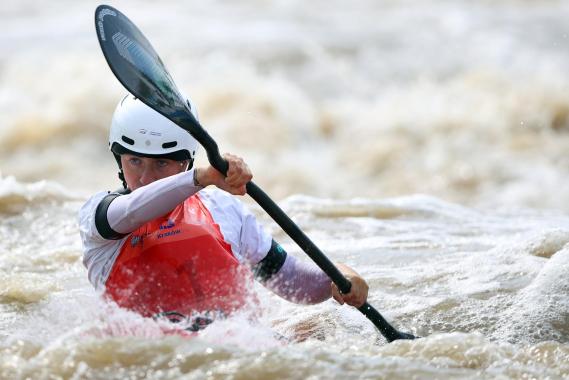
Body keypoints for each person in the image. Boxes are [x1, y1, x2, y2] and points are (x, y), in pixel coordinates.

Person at [79, 93, 369, 332]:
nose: (145, 178)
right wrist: (202, 177)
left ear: (185, 162)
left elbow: (293, 283)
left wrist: (337, 277)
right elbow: (132, 209)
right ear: (118, 159)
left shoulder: (224, 211)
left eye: (162, 164)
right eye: (135, 161)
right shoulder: (99, 217)